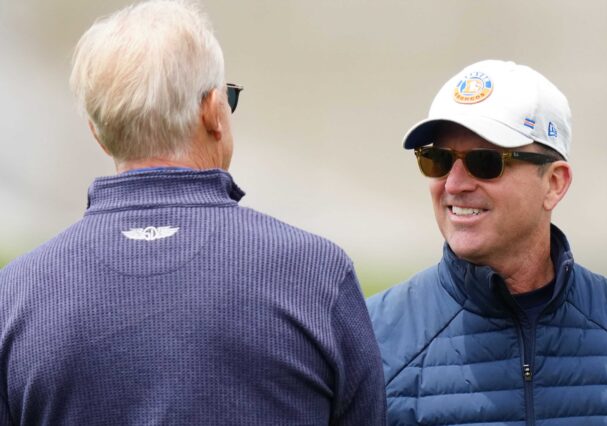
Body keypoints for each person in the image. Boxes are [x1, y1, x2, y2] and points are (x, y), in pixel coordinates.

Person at [0, 1, 386, 424]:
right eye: (228, 97)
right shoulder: (314, 274)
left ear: (99, 134)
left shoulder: (15, 295)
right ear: (212, 110)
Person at [367, 59, 607, 425]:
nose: (454, 184)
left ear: (554, 183)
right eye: (438, 160)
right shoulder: (370, 336)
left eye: (485, 161)